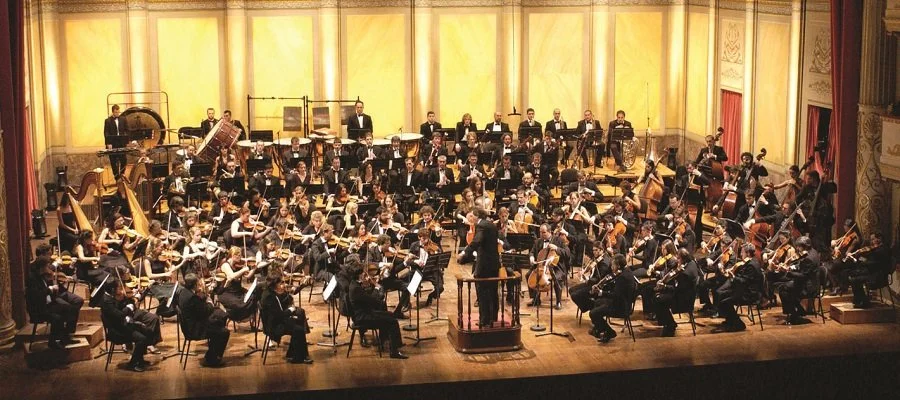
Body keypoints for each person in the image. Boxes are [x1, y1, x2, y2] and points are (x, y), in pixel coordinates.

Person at [347, 259, 407, 359]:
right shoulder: (356, 288)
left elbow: (367, 298)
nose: (364, 275)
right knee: (392, 320)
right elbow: (374, 301)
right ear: (359, 275)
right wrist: (377, 288)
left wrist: (372, 287)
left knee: (390, 315)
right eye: (362, 273)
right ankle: (394, 351)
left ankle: (390, 342)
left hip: (365, 313)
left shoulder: (355, 284)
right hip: (363, 317)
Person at [98, 278, 160, 372]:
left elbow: (121, 310)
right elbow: (120, 315)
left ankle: (140, 360)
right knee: (142, 339)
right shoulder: (107, 301)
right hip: (117, 331)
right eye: (118, 288)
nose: (120, 290)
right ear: (113, 289)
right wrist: (128, 308)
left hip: (122, 325)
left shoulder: (110, 297)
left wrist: (132, 301)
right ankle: (132, 364)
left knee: (147, 331)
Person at [25, 257, 82, 349]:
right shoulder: (32, 279)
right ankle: (53, 342)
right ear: (42, 267)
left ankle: (66, 336)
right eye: (47, 266)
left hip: (47, 305)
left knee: (72, 309)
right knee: (58, 317)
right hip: (39, 309)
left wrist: (53, 286)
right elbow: (36, 296)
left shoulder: (43, 276)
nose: (49, 268)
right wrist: (50, 289)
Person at [458, 207, 500, 327]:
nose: (469, 218)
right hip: (494, 263)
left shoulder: (481, 226)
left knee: (482, 292)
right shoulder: (491, 224)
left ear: (476, 216)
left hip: (485, 265)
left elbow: (476, 241)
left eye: (470, 216)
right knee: (493, 291)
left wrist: (464, 253)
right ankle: (493, 317)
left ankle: (484, 320)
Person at [179, 273, 230, 367]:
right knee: (224, 332)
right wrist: (209, 301)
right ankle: (213, 360)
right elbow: (205, 311)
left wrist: (203, 295)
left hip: (190, 325)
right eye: (198, 283)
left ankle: (211, 355)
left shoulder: (184, 292)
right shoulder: (192, 298)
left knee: (218, 320)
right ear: (195, 285)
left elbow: (197, 307)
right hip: (195, 329)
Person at [260, 273, 312, 364]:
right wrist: (290, 311)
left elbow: (278, 312)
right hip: (273, 327)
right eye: (281, 283)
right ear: (274, 284)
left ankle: (293, 354)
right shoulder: (269, 297)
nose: (283, 285)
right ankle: (298, 358)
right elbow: (279, 315)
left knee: (299, 320)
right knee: (299, 329)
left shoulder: (271, 293)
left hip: (276, 321)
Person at [713, 244, 764, 332]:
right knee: (720, 294)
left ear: (748, 253)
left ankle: (738, 325)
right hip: (743, 290)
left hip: (749, 294)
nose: (741, 254)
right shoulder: (751, 262)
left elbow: (744, 281)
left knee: (725, 302)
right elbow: (743, 278)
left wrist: (733, 277)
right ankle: (730, 321)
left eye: (742, 252)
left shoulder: (752, 265)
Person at [588, 254, 636, 343]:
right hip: (622, 302)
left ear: (618, 266)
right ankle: (599, 329)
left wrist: (601, 292)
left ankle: (609, 332)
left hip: (621, 307)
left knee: (593, 313)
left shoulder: (623, 277)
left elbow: (616, 295)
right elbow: (618, 291)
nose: (611, 267)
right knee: (597, 302)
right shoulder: (626, 271)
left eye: (613, 265)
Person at [774, 236, 819, 325]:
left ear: (804, 246)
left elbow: (803, 276)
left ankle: (793, 315)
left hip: (808, 287)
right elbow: (802, 265)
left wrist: (787, 272)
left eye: (799, 246)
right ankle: (799, 310)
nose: (797, 248)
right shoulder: (813, 252)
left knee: (783, 290)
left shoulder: (809, 258)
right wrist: (791, 267)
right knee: (784, 287)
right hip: (809, 283)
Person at [846, 232, 891, 308]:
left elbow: (875, 264)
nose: (872, 242)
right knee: (851, 274)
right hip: (873, 272)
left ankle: (863, 301)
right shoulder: (877, 249)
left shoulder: (883, 250)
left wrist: (862, 261)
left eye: (873, 239)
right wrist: (861, 259)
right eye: (871, 240)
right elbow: (870, 261)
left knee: (854, 280)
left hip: (878, 276)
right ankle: (859, 299)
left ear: (879, 239)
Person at [103, 104, 127, 176]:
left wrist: (127, 140)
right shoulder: (108, 121)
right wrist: (108, 143)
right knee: (113, 162)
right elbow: (106, 132)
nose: (117, 114)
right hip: (112, 144)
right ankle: (117, 177)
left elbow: (127, 130)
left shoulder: (123, 119)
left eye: (118, 112)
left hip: (121, 143)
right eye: (116, 112)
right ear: (113, 112)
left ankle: (122, 174)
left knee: (124, 160)